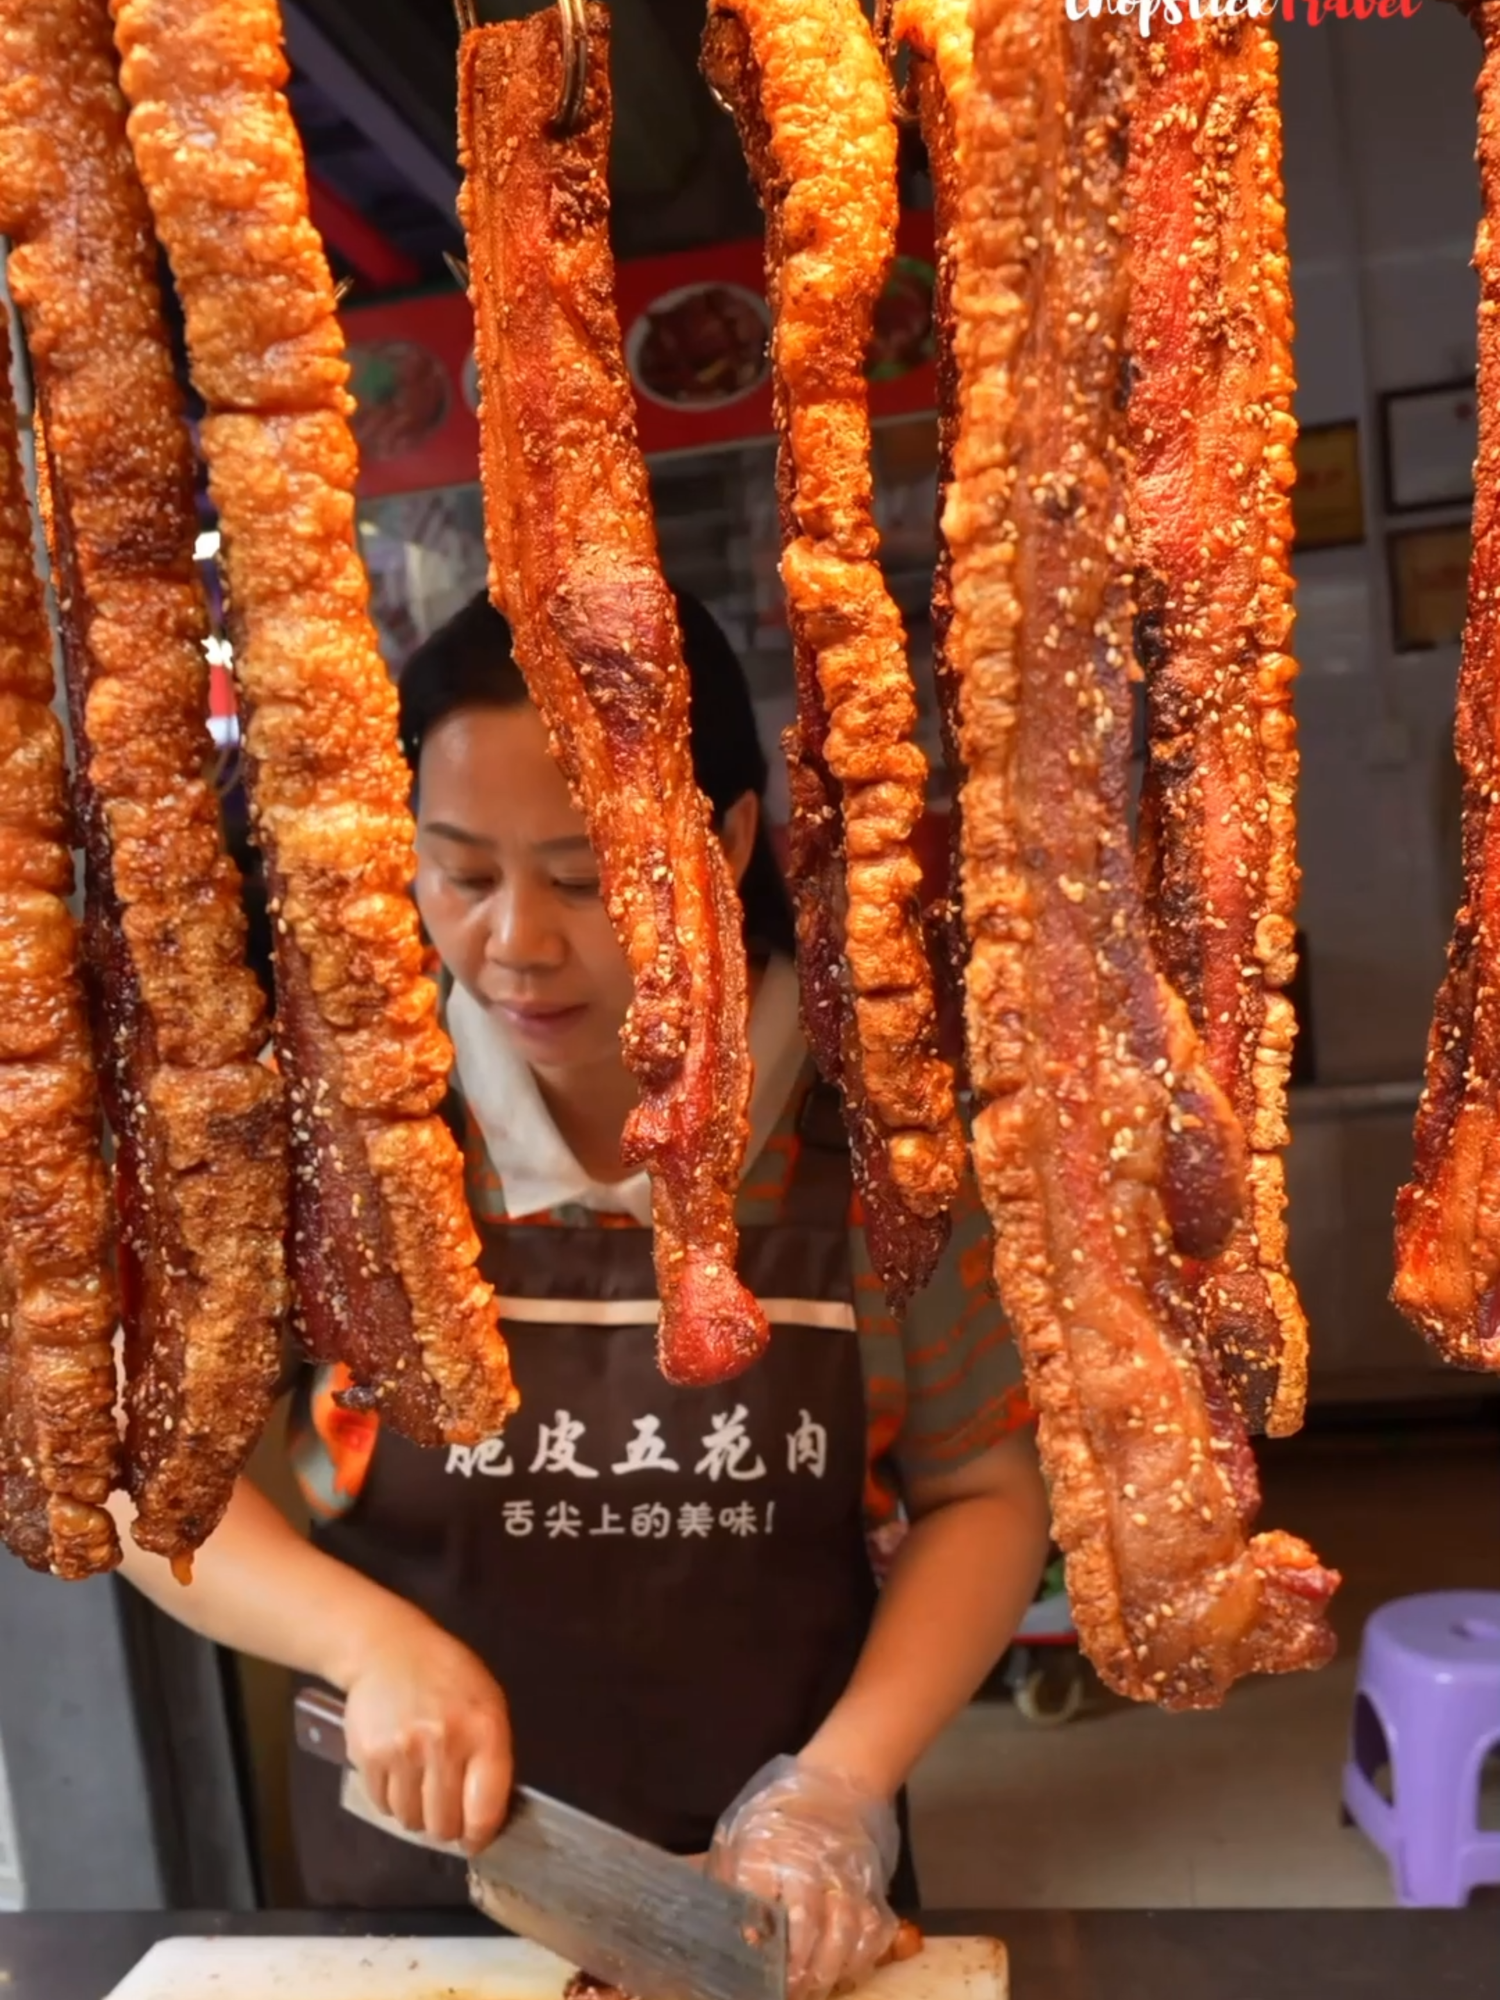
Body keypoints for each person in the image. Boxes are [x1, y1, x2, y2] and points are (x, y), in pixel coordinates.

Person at [113, 589, 1049, 1998]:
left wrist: (837, 1793)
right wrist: (360, 1642)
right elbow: (144, 1483)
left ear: (727, 842)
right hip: (417, 1918)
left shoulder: (871, 1134)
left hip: (778, 1910)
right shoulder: (344, 1135)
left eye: (586, 874)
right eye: (462, 874)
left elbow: (982, 1493)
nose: (516, 944)